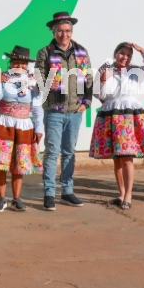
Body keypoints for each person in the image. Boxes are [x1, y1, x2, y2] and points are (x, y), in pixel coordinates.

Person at [34, 12, 93, 211]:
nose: (64, 34)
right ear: (53, 31)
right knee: (52, 152)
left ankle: (67, 191)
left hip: (75, 111)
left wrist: (86, 102)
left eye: (67, 30)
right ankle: (49, 193)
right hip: (54, 110)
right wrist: (48, 83)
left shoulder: (81, 52)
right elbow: (38, 79)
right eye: (60, 30)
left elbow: (88, 79)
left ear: (72, 31)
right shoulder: (45, 52)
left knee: (69, 152)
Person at [89, 42, 144, 210]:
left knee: (127, 157)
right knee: (117, 158)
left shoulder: (135, 71)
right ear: (115, 53)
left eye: (128, 55)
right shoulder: (105, 69)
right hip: (110, 113)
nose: (125, 57)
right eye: (122, 53)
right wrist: (103, 80)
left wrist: (142, 51)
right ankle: (121, 194)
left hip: (129, 114)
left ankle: (128, 195)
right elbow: (98, 94)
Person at [0, 45, 43, 212]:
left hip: (23, 125)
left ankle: (16, 199)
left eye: (23, 64)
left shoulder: (33, 81)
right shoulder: (3, 77)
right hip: (3, 123)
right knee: (1, 164)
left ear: (27, 65)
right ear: (11, 63)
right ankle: (1, 199)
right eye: (16, 62)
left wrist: (39, 128)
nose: (19, 66)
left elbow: (36, 107)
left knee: (19, 164)